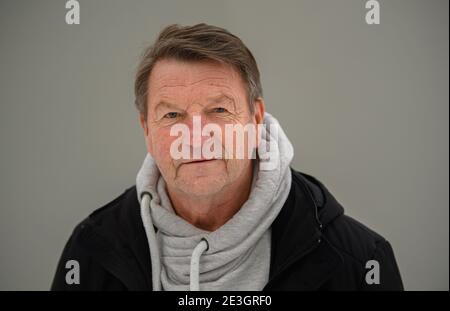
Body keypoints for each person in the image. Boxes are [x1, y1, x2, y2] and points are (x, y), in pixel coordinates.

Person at [51, 23, 403, 291]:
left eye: (219, 109)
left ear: (256, 117)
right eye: (172, 115)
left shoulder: (360, 263)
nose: (196, 135)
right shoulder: (92, 253)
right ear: (146, 128)